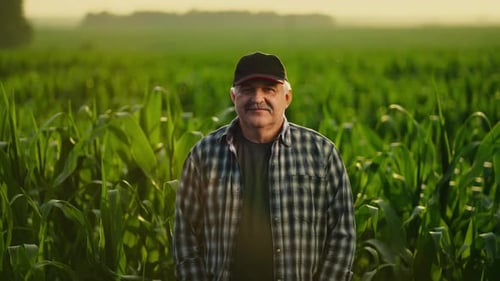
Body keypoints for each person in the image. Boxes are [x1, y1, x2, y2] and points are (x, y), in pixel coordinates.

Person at [173, 51, 356, 281]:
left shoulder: (321, 154)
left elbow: (342, 236)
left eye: (269, 90)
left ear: (287, 98)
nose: (258, 98)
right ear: (233, 96)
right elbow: (185, 239)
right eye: (248, 90)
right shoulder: (204, 156)